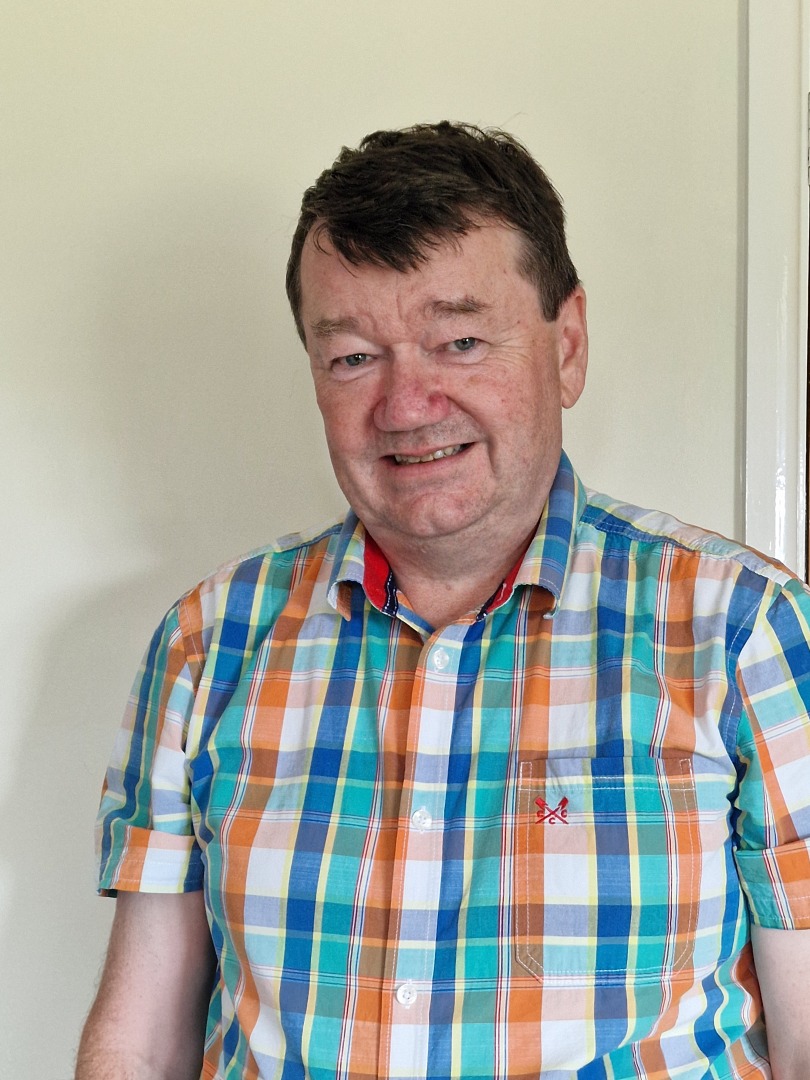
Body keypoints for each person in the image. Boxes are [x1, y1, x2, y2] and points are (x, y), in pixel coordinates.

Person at [76, 122, 810, 1080]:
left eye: (459, 341)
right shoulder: (207, 642)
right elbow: (138, 1039)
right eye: (352, 359)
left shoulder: (742, 625)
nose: (406, 403)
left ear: (569, 346)